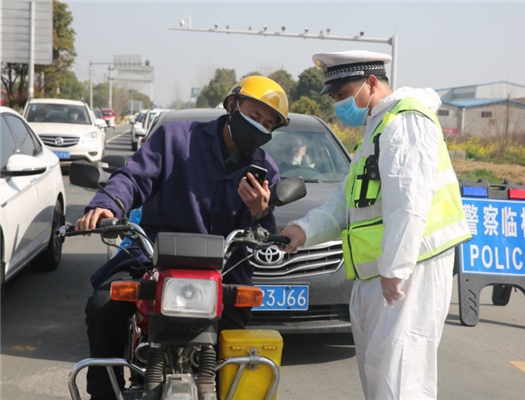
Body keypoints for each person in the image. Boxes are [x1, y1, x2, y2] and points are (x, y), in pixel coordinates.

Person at [75, 76, 290, 400]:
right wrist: (107, 205)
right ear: (232, 106)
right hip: (151, 259)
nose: (259, 126)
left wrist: (260, 211)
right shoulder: (175, 138)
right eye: (254, 115)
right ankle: (105, 394)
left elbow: (263, 233)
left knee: (237, 339)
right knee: (103, 305)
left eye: (267, 123)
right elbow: (132, 179)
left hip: (224, 271)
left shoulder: (265, 170)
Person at [279, 51, 472, 400]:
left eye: (342, 95)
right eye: (335, 98)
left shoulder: (405, 121)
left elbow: (409, 202)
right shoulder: (376, 127)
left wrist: (395, 269)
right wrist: (305, 230)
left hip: (411, 268)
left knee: (400, 379)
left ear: (370, 82)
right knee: (380, 374)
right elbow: (348, 200)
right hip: (378, 271)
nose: (339, 105)